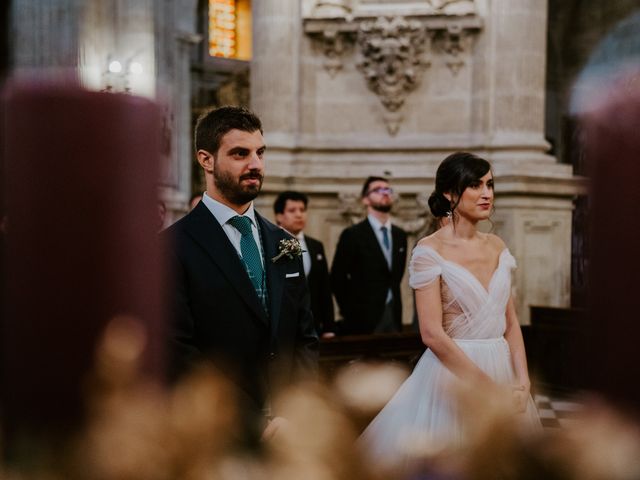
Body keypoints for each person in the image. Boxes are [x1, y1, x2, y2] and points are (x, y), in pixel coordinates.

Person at [360, 152, 541, 467]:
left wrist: (522, 380)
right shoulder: (429, 251)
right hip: (452, 375)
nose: (487, 194)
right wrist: (486, 387)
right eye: (475, 185)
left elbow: (510, 323)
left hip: (502, 366)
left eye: (490, 184)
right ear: (449, 193)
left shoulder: (498, 245)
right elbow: (431, 334)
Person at [163, 106, 318, 442]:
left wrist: (295, 412)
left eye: (260, 153)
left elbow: (305, 338)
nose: (255, 164)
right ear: (206, 160)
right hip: (215, 430)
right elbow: (177, 349)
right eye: (240, 153)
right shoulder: (172, 246)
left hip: (288, 431)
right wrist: (251, 422)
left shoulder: (284, 243)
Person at [331, 176, 407, 334]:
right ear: (365, 199)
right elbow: (337, 278)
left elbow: (396, 276)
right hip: (362, 319)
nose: (385, 193)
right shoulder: (353, 234)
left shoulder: (400, 235)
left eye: (388, 190)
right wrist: (350, 313)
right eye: (378, 190)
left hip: (394, 314)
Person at [273, 191, 335, 338]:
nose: (299, 215)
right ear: (279, 216)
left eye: (302, 210)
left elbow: (324, 288)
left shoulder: (316, 246)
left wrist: (329, 327)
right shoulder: (270, 244)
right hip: (281, 326)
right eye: (292, 210)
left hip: (313, 325)